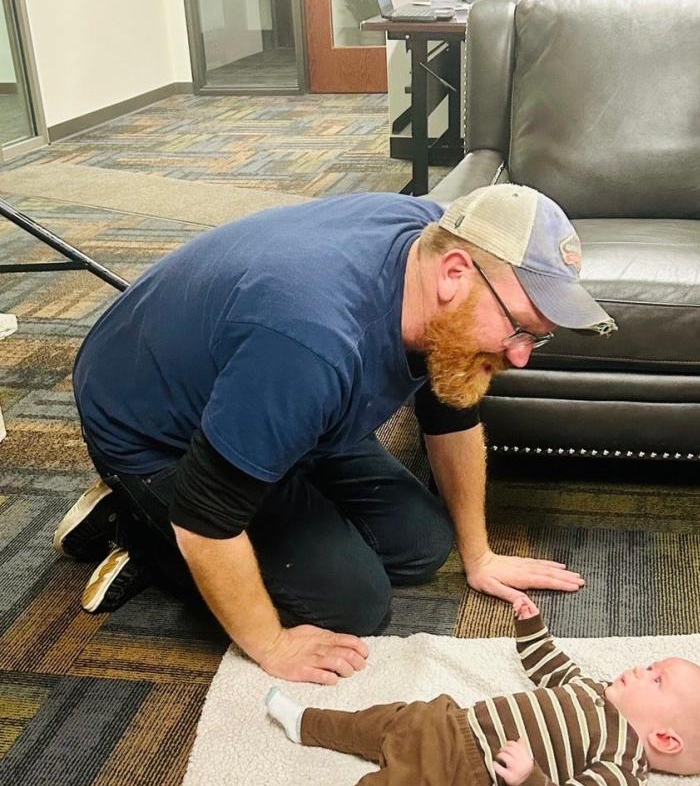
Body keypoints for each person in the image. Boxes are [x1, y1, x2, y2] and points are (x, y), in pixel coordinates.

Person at [55, 185, 617, 685]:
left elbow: (452, 413)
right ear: (454, 274)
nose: (520, 354)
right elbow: (207, 517)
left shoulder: (444, 241)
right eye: (520, 328)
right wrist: (271, 645)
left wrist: (481, 554)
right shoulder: (313, 342)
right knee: (353, 605)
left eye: (536, 338)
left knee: (422, 546)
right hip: (154, 426)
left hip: (273, 392)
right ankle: (135, 521)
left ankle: (261, 461)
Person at [240, 596, 700, 786]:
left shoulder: (624, 769)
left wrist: (529, 781)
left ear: (665, 738)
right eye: (651, 665)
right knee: (372, 722)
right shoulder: (595, 688)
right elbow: (549, 666)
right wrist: (530, 626)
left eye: (655, 680)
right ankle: (306, 722)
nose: (639, 669)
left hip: (466, 777)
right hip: (450, 719)